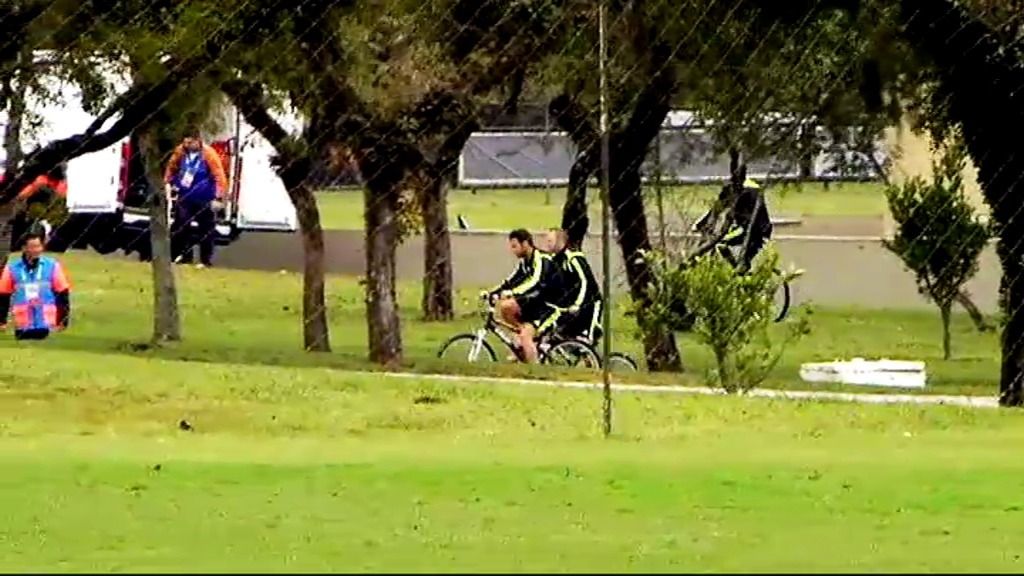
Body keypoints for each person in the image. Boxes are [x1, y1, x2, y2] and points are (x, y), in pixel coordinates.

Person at [483, 228, 557, 363]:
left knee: (525, 335)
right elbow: (512, 281)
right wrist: (494, 292)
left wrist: (512, 293)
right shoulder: (524, 262)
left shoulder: (541, 259)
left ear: (526, 243)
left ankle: (534, 369)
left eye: (515, 246)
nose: (513, 250)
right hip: (534, 303)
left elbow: (535, 282)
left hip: (549, 306)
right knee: (506, 308)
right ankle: (521, 346)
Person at [164, 129, 228, 268]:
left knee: (206, 229)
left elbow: (219, 175)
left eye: (190, 142)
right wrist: (167, 182)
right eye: (185, 142)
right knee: (181, 227)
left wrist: (218, 196)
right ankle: (183, 257)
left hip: (204, 197)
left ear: (197, 141)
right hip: (185, 196)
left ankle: (205, 260)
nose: (187, 145)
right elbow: (171, 167)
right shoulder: (180, 151)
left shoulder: (208, 154)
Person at [0, 227, 71, 340]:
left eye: (38, 246)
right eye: (32, 247)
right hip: (22, 323)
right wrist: (1, 320)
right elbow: (3, 295)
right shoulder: (12, 268)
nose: (36, 250)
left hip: (46, 323)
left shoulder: (52, 266)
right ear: (24, 248)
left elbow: (63, 293)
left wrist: (63, 319)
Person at [694, 178, 773, 270]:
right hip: (764, 230)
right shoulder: (753, 187)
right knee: (744, 262)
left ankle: (736, 270)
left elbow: (718, 208)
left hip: (748, 229)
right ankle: (741, 272)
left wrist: (701, 224)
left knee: (720, 243)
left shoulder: (736, 189)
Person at [544, 228, 604, 343]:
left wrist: (577, 304)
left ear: (560, 241)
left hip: (590, 303)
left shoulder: (573, 258)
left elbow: (585, 282)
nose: (547, 244)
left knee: (589, 340)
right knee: (561, 335)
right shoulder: (555, 260)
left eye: (550, 241)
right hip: (571, 306)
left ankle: (595, 351)